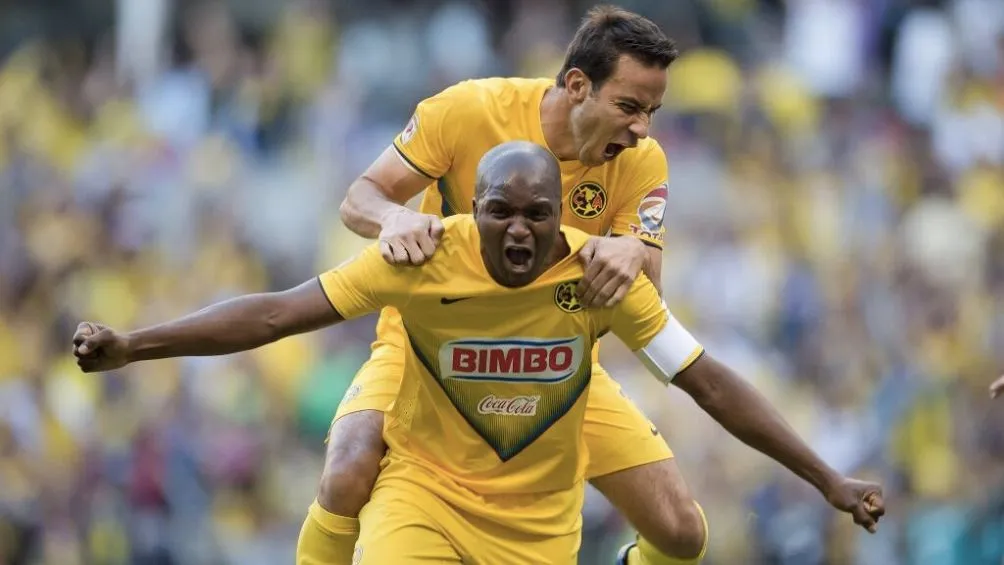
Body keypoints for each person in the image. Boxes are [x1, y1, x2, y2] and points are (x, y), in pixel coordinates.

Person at [75, 142, 885, 564]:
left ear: (565, 212)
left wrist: (828, 478)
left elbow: (705, 381)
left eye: (539, 212)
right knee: (347, 468)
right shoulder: (423, 256)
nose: (520, 229)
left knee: (684, 534)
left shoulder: (600, 274)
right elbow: (276, 315)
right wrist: (136, 344)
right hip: (427, 482)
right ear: (474, 209)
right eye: (500, 211)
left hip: (537, 508)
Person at [310, 6, 880, 565]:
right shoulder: (465, 110)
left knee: (682, 533)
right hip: (428, 353)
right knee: (347, 470)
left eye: (652, 112)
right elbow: (361, 196)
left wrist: (636, 248)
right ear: (578, 85)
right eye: (629, 107)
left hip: (555, 364)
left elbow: (645, 300)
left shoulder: (641, 162)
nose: (641, 129)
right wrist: (394, 218)